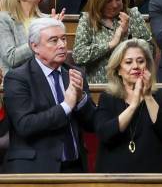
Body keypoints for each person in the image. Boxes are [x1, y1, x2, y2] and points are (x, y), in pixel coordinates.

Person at [3, 17, 96, 173]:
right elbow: (25, 125)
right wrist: (66, 106)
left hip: (75, 168)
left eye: (64, 39)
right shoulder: (18, 78)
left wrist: (81, 99)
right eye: (54, 40)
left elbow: (93, 124)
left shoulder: (74, 73)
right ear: (35, 47)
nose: (62, 45)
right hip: (34, 169)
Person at [94, 39, 162, 172]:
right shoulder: (108, 98)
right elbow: (105, 134)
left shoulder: (160, 95)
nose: (136, 66)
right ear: (118, 70)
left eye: (140, 61)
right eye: (128, 62)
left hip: (155, 173)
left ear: (148, 66)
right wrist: (133, 105)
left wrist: (148, 96)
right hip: (115, 174)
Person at [72, 0, 152, 84]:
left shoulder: (132, 15)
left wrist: (129, 38)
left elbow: (150, 50)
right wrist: (110, 44)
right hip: (101, 88)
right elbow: (79, 56)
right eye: (108, 0)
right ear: (98, 0)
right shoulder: (88, 20)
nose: (114, 5)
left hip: (133, 86)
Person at [0, 0, 55, 74]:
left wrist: (55, 32)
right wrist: (42, 37)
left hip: (44, 79)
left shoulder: (47, 20)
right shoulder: (4, 19)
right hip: (16, 82)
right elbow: (12, 58)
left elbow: (54, 57)